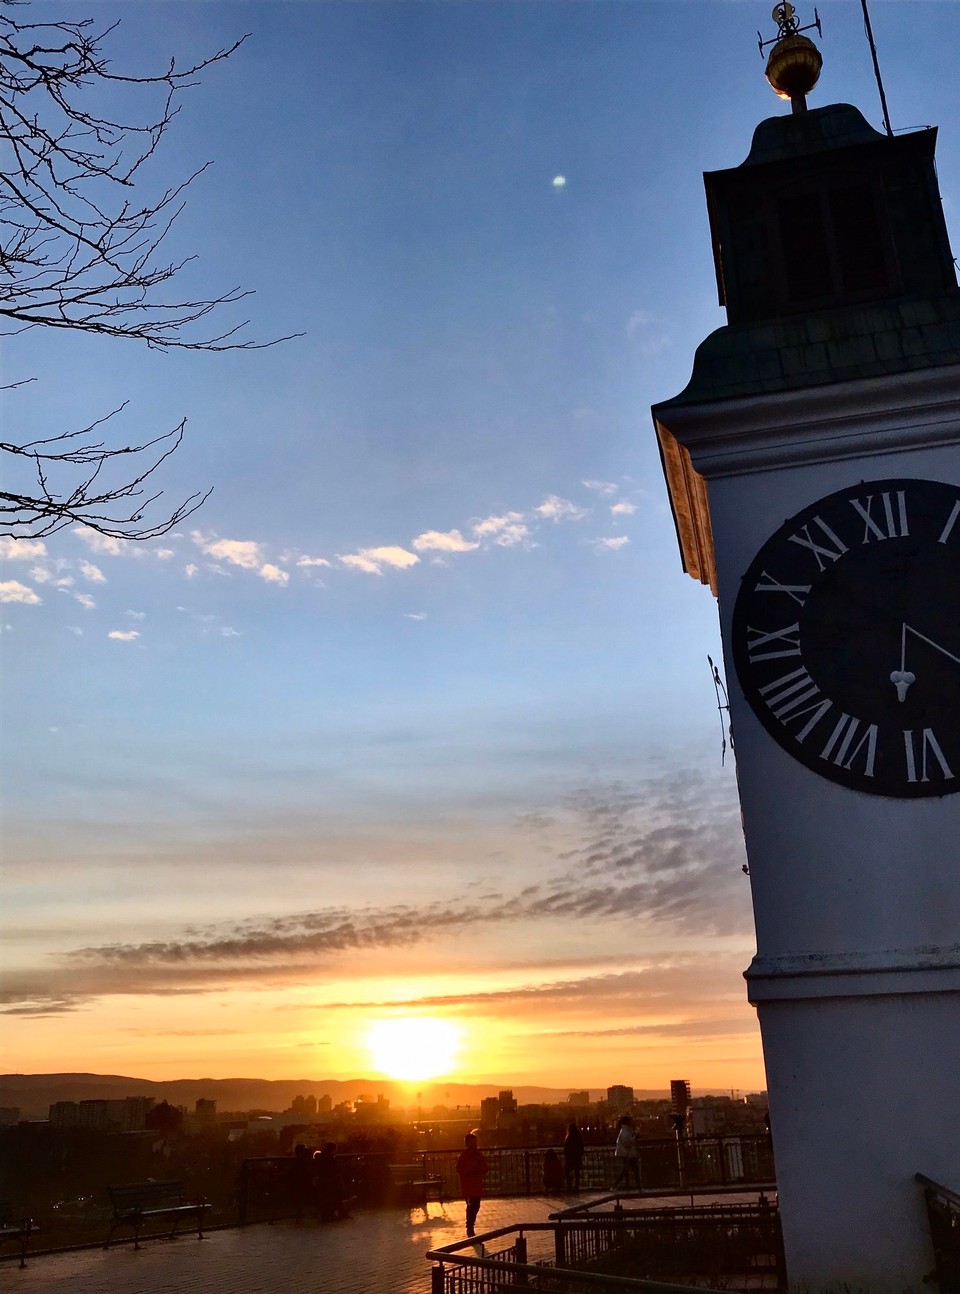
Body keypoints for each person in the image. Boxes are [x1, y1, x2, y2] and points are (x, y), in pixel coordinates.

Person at [456, 1131, 488, 1237]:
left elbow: (485, 1167)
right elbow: (460, 1169)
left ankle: (470, 1225)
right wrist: (471, 1170)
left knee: (476, 1205)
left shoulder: (478, 1155)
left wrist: (478, 1170)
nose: (474, 1144)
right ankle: (469, 1227)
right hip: (468, 1185)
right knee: (471, 1206)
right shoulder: (464, 1155)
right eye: (472, 1142)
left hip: (476, 1185)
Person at [313, 1142, 351, 1220]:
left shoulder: (320, 1157)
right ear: (333, 1150)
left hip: (322, 1183)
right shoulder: (330, 1159)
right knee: (338, 1192)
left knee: (328, 1196)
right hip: (330, 1183)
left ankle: (329, 1214)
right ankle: (340, 1212)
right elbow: (335, 1172)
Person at [613, 1114, 641, 1191]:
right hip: (627, 1154)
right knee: (632, 1170)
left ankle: (617, 1186)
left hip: (627, 1153)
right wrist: (635, 1137)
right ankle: (638, 1187)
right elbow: (627, 1143)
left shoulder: (625, 1131)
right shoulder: (625, 1132)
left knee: (627, 1170)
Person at [563, 1120, 585, 1193]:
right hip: (577, 1158)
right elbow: (582, 1147)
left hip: (569, 1158)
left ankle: (569, 1187)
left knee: (567, 1172)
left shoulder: (568, 1138)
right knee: (577, 1173)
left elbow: (566, 1149)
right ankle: (576, 1187)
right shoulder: (578, 1138)